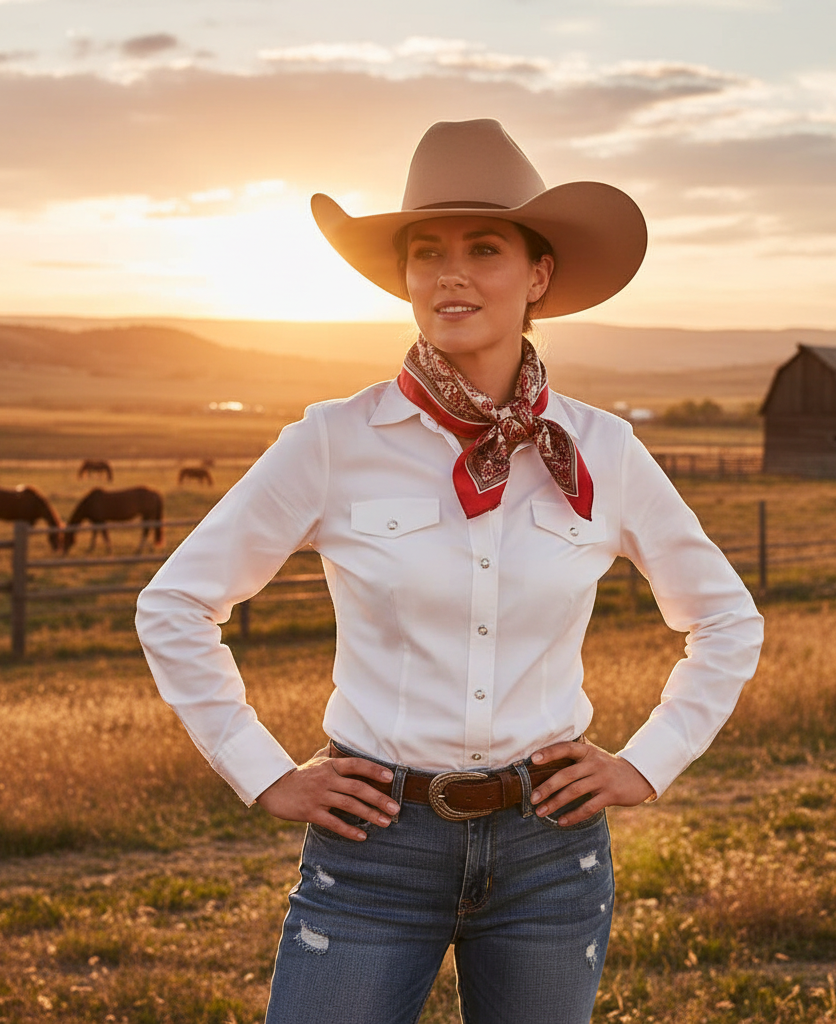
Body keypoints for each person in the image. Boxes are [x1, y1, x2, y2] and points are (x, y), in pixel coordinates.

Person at [135, 118, 763, 1024]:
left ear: (539, 274)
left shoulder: (605, 452)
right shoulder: (333, 442)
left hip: (553, 851)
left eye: (483, 248)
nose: (449, 272)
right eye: (426, 251)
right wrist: (264, 773)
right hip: (374, 847)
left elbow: (727, 620)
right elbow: (177, 603)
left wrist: (648, 764)